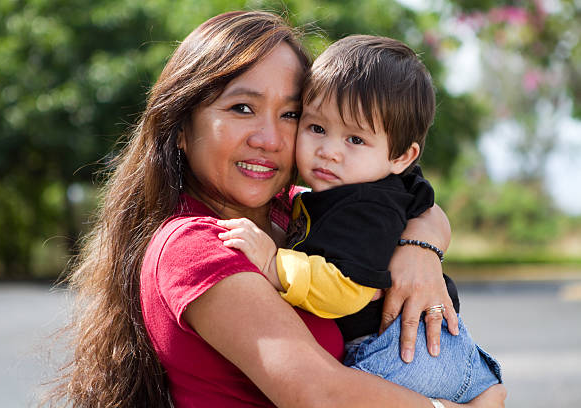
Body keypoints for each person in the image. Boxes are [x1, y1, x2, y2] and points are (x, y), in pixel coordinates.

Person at [49, 11, 506, 408]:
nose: (269, 139)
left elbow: (408, 197)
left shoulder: (289, 213)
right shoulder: (195, 247)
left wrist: (419, 248)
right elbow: (318, 395)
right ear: (181, 129)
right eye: (242, 107)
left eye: (290, 115)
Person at [217, 35, 502, 404]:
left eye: (355, 139)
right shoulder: (368, 191)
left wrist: (274, 264)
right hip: (424, 353)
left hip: (405, 354)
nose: (329, 152)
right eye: (316, 128)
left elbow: (345, 290)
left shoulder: (365, 208)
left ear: (401, 156)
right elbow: (425, 201)